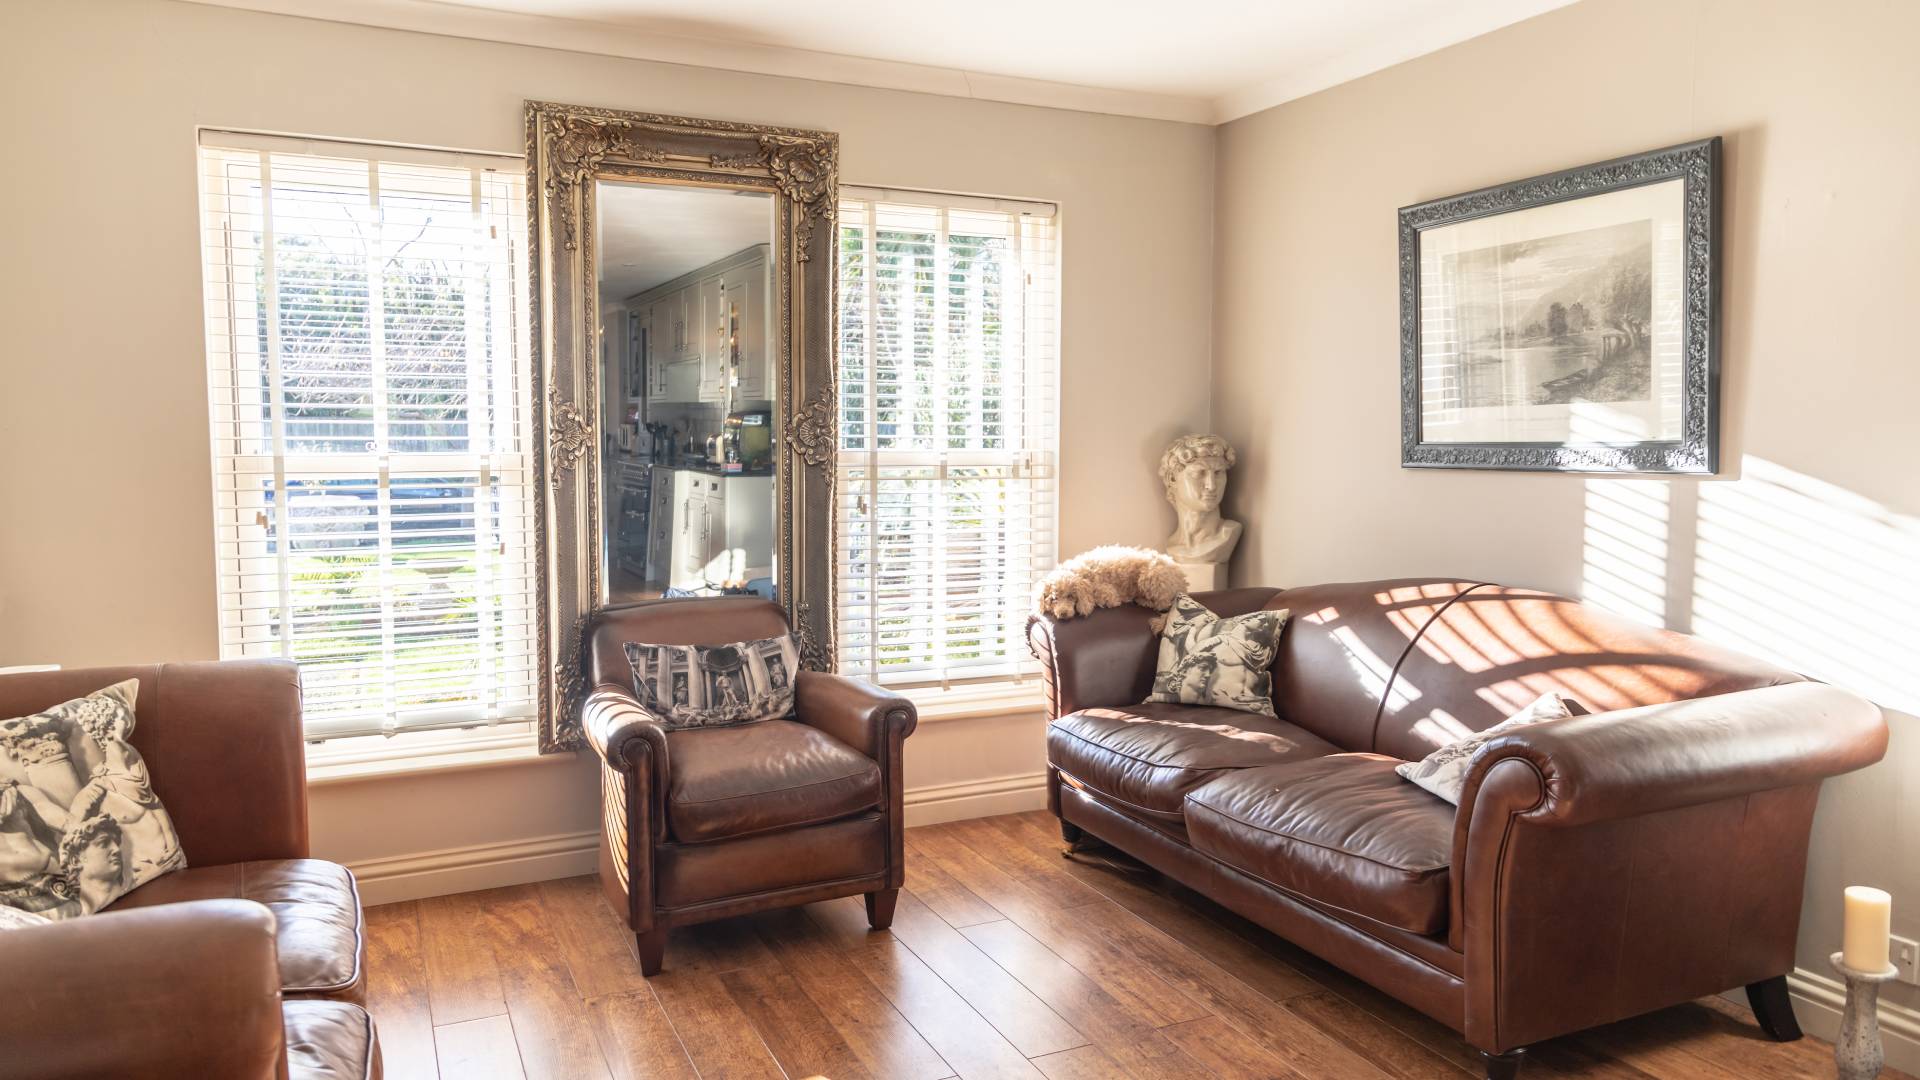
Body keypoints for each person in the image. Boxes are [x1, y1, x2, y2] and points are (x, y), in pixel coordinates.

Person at [1159, 434, 1243, 565]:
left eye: (1218, 473)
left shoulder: (1228, 534)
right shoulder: (1172, 545)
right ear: (1173, 479)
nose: (1211, 485)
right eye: (1199, 473)